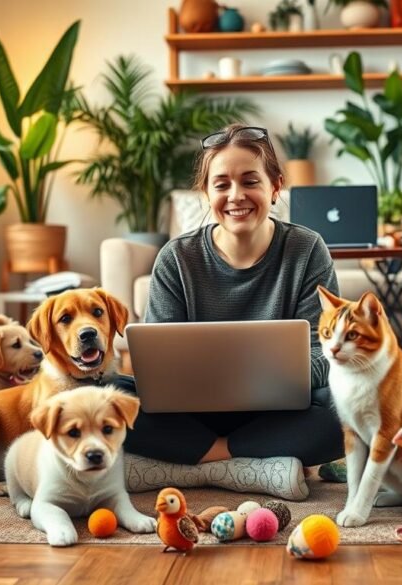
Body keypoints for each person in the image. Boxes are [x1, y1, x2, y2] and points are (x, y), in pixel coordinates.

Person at [114, 124, 344, 500]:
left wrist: (272, 376)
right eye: (221, 184)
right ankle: (249, 463)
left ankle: (193, 463)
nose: (236, 196)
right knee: (101, 393)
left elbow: (327, 356)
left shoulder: (306, 250)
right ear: (206, 192)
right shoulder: (177, 258)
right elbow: (156, 371)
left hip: (279, 411)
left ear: (275, 187)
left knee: (349, 407)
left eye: (250, 181)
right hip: (189, 414)